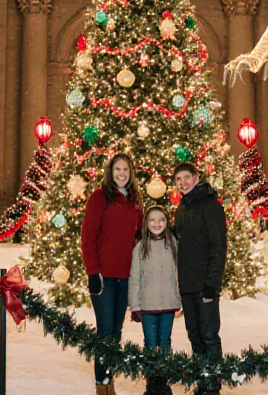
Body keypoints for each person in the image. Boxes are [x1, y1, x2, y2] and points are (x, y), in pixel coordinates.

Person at [81, 153, 143, 395]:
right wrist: (92, 272)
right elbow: (88, 238)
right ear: (110, 171)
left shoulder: (135, 201)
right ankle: (101, 386)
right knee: (105, 330)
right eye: (117, 169)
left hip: (125, 278)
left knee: (116, 333)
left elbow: (138, 236)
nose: (121, 173)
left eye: (125, 169)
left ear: (131, 172)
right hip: (104, 278)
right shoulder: (100, 198)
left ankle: (110, 383)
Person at [172, 162, 226, 395]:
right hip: (187, 285)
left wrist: (212, 285)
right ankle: (202, 380)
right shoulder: (182, 208)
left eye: (186, 177)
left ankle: (212, 387)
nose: (182, 182)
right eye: (178, 179)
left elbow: (218, 246)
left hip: (204, 286)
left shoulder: (210, 206)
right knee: (194, 335)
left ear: (195, 178)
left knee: (209, 336)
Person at [128, 206, 180, 395]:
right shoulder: (140, 247)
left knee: (164, 341)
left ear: (167, 223)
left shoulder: (173, 244)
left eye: (161, 220)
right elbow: (135, 278)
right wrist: (135, 305)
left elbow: (177, 274)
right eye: (152, 220)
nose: (156, 224)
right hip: (147, 304)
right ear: (145, 224)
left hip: (168, 303)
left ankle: (163, 379)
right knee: (150, 342)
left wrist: (180, 298)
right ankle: (151, 380)